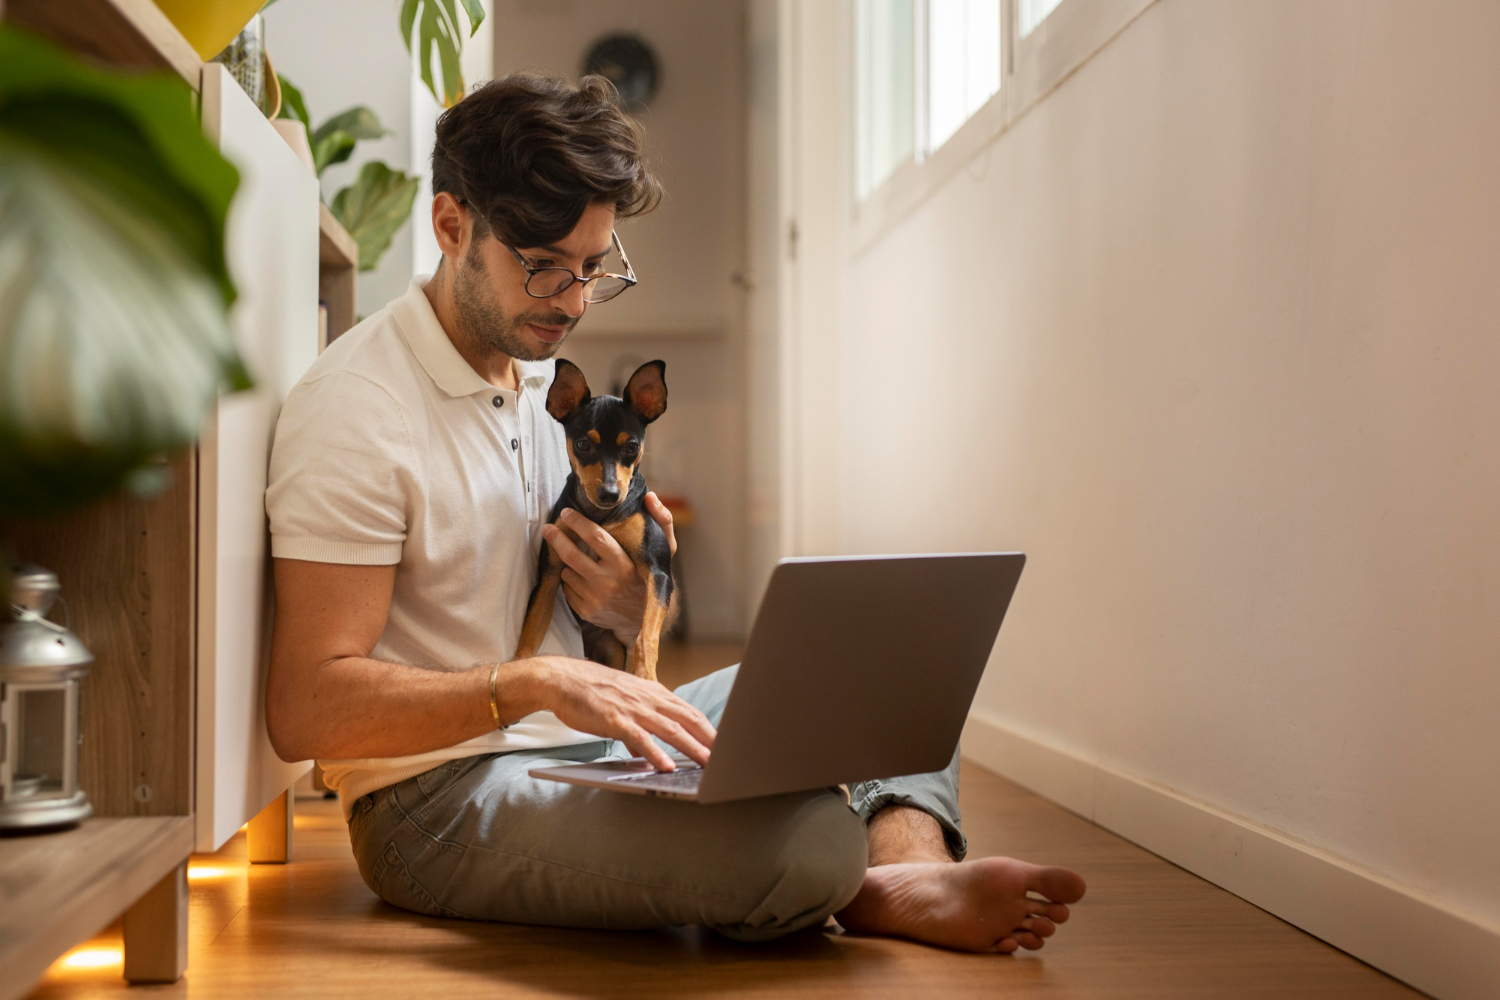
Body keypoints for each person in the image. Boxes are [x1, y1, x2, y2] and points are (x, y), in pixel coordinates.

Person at [264, 72, 1085, 953]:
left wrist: (627, 607)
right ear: (451, 225)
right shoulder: (359, 407)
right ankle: (852, 869)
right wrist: (534, 683)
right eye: (543, 266)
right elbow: (307, 707)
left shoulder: (545, 388)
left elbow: (607, 622)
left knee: (889, 674)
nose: (573, 301)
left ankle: (906, 873)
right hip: (438, 799)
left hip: (589, 734)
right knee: (808, 844)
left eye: (593, 268)